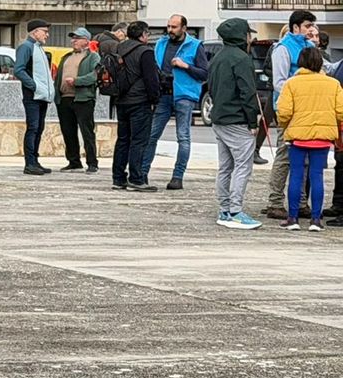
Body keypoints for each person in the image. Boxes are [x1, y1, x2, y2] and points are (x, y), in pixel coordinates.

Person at [276, 46, 343, 232]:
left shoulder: (291, 83)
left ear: (301, 63)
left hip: (297, 137)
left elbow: (284, 112)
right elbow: (341, 111)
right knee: (317, 176)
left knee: (296, 176)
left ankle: (293, 218)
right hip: (322, 138)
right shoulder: (333, 84)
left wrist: (285, 125)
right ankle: (315, 220)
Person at [207, 18, 263, 230]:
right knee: (242, 166)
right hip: (237, 119)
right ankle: (236, 211)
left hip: (219, 118)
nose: (251, 38)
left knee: (225, 167)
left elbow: (211, 88)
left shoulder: (217, 58)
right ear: (242, 36)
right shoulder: (241, 59)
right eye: (249, 34)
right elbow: (248, 92)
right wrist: (252, 120)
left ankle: (224, 209)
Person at [140, 15, 207, 191]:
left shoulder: (195, 46)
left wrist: (186, 66)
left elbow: (204, 73)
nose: (170, 30)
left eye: (174, 27)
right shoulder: (161, 44)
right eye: (169, 26)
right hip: (163, 95)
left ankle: (178, 176)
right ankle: (142, 173)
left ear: (184, 28)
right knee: (152, 134)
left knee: (183, 137)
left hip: (184, 95)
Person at [263, 10, 319, 219]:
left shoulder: (309, 46)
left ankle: (301, 202)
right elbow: (279, 83)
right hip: (288, 110)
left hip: (308, 109)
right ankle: (275, 201)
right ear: (295, 27)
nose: (310, 30)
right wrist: (304, 87)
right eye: (306, 26)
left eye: (312, 26)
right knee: (285, 156)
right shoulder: (283, 49)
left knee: (304, 158)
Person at [110, 20, 163, 192]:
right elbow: (151, 79)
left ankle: (118, 178)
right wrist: (155, 99)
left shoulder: (118, 49)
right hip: (140, 101)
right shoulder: (145, 52)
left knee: (123, 139)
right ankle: (137, 178)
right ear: (143, 35)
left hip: (121, 100)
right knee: (139, 140)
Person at [54, 28, 101, 173]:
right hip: (64, 99)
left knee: (87, 131)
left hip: (83, 99)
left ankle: (92, 162)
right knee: (68, 131)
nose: (73, 40)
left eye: (77, 38)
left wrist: (77, 81)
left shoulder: (93, 57)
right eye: (72, 38)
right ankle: (74, 161)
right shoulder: (66, 57)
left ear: (86, 41)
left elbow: (95, 76)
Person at [12, 19, 54, 175]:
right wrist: (34, 85)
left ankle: (35, 161)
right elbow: (19, 70)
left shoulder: (39, 48)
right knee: (33, 128)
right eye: (44, 31)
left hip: (42, 96)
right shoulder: (26, 47)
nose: (47, 35)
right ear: (35, 32)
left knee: (39, 128)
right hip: (33, 95)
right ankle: (29, 163)